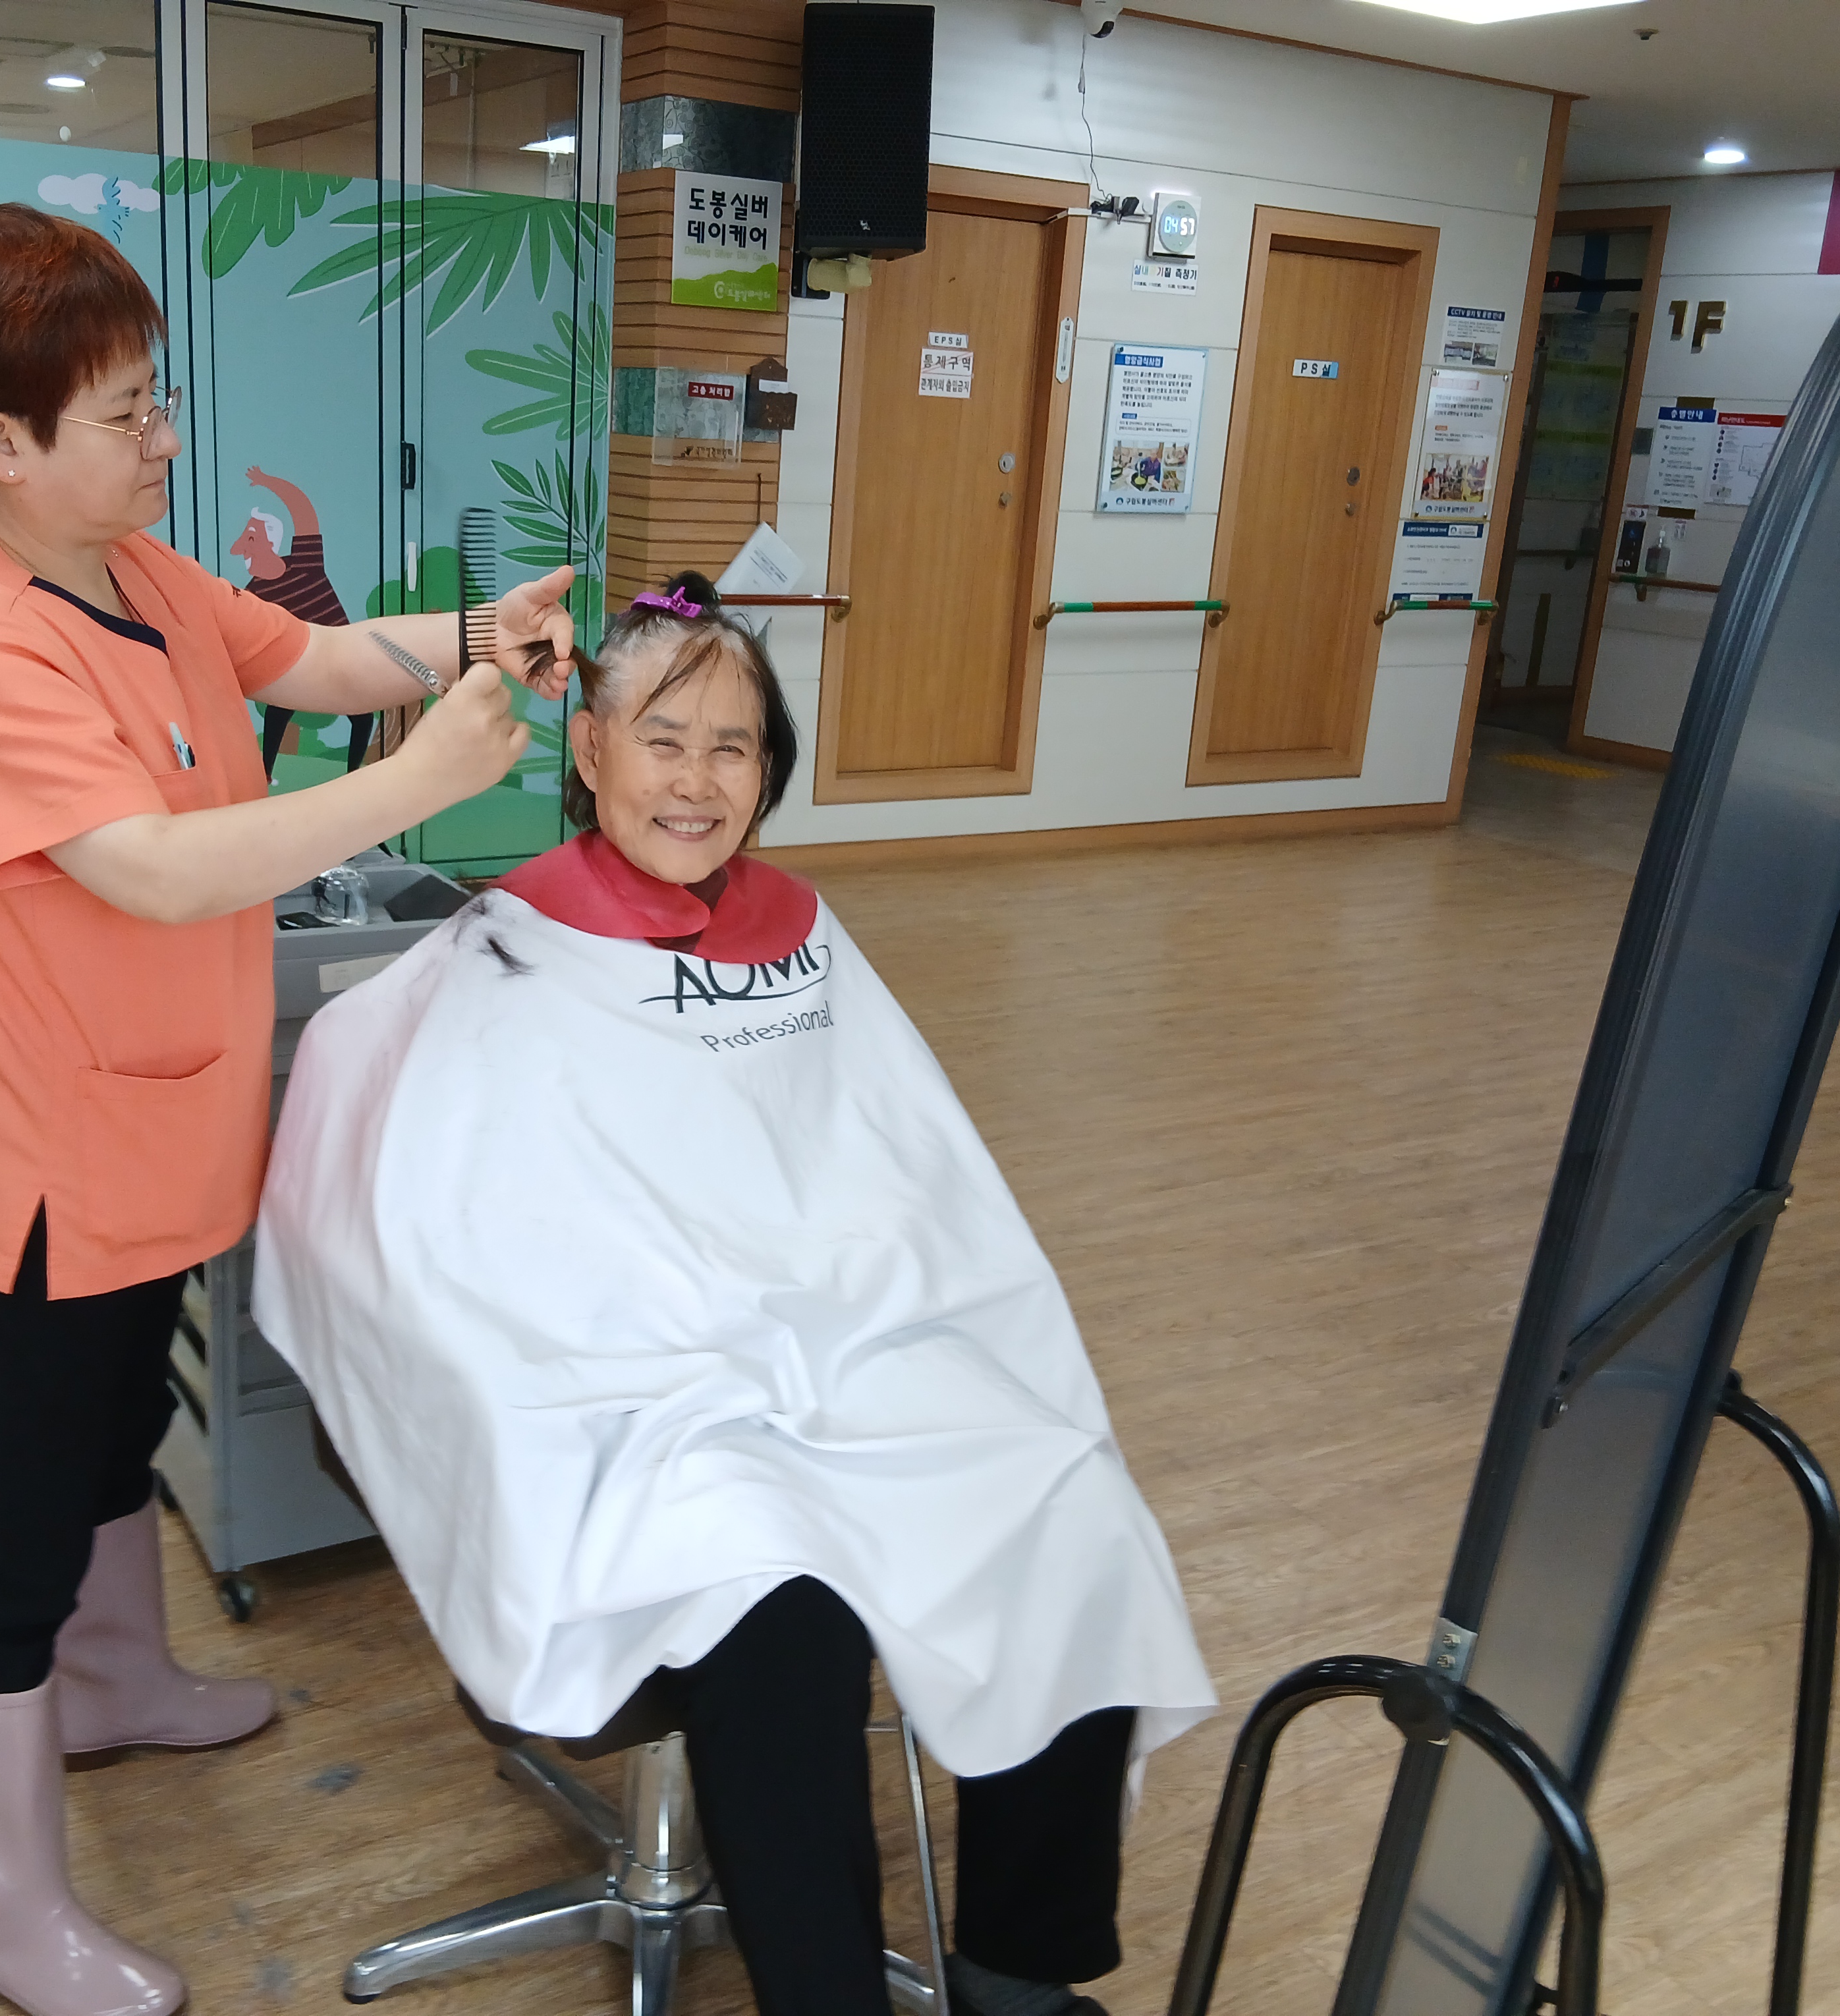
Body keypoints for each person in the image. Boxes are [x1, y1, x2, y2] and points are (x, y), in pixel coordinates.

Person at [254, 573, 1216, 2016]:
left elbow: (905, 1168)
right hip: (620, 1393)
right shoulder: (510, 948)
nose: (696, 781)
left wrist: (879, 1312)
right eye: (662, 739)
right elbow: (405, 1211)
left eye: (733, 746)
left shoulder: (803, 935)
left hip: (844, 1344)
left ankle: (1021, 1971)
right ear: (589, 750)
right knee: (780, 1603)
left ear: (771, 769)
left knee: (1068, 1509)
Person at [0, 202, 574, 2016]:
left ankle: (115, 1685)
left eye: (155, 399)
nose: (163, 438)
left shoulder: (132, 567)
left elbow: (313, 661)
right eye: (125, 413)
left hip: (146, 1141)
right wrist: (420, 786)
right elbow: (155, 870)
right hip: (23, 1182)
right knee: (0, 1541)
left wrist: (472, 634)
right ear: (1, 443)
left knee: (114, 1443)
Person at [226, 465, 371, 779]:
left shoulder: (305, 562)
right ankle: (264, 775)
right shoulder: (253, 595)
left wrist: (268, 482)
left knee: (363, 716)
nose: (244, 545)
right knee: (278, 711)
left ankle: (353, 777)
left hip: (342, 656)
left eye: (252, 536)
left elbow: (302, 511)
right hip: (298, 665)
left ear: (269, 542)